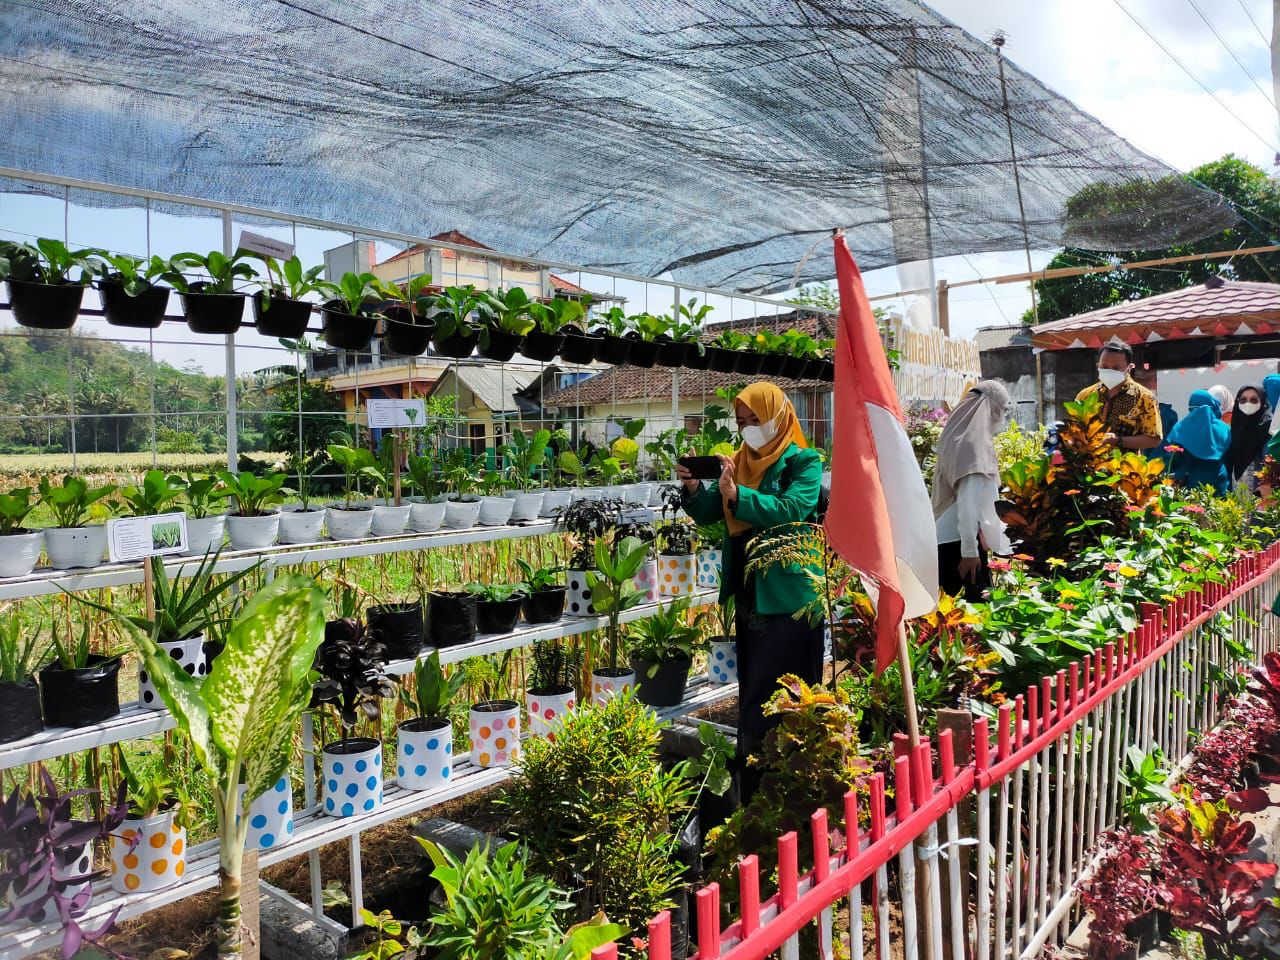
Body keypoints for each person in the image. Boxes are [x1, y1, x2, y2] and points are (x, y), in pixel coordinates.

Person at [677, 382, 824, 764]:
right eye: (742, 421)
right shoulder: (739, 460)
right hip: (750, 589)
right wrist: (695, 488)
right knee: (755, 686)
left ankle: (796, 766)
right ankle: (756, 771)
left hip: (790, 594)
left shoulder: (803, 462)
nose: (748, 428)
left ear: (779, 416)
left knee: (793, 687)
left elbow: (793, 507)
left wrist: (739, 496)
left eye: (756, 419)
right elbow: (712, 510)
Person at [932, 381, 1012, 602]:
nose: (1001, 417)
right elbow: (968, 504)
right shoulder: (973, 445)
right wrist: (969, 551)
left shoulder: (955, 437)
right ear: (990, 409)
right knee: (970, 615)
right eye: (1002, 410)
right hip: (960, 543)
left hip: (950, 538)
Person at [1075, 341, 1162, 451]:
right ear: (1098, 366)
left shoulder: (1144, 398)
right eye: (1105, 367)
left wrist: (1117, 441)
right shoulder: (1085, 395)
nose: (1109, 371)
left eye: (1116, 368)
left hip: (1125, 465)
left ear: (1129, 368)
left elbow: (1154, 439)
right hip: (1088, 465)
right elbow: (1073, 431)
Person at [1166, 390, 1231, 495]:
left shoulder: (1181, 428)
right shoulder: (1223, 428)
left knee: (1193, 510)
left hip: (1191, 481)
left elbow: (1173, 458)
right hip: (1219, 479)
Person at [1227, 385, 1270, 490]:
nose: (1248, 403)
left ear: (1262, 402)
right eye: (1243, 400)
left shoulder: (1268, 427)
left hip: (1262, 484)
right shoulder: (1236, 424)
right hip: (1237, 482)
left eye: (1254, 400)